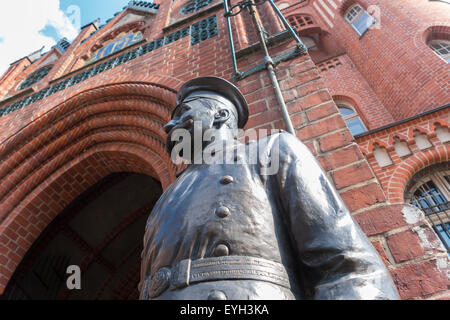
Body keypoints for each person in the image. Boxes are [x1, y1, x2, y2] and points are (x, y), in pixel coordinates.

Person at [139, 76, 399, 300]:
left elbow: (348, 266)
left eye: (184, 112)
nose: (169, 125)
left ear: (221, 115)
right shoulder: (167, 196)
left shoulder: (272, 151)